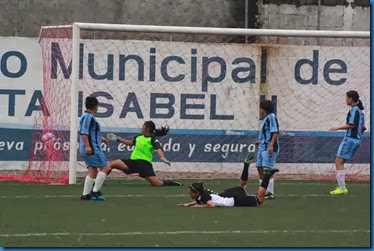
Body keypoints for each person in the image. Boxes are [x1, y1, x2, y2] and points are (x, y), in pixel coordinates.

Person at [177, 156, 279, 208]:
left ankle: (267, 175)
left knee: (260, 200)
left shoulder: (203, 196)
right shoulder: (202, 194)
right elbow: (201, 200)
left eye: (191, 193)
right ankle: (246, 165)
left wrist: (198, 206)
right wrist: (189, 204)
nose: (189, 194)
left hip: (233, 200)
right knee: (242, 187)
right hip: (227, 194)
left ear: (197, 193)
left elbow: (211, 205)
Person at [106, 121, 182, 186]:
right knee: (111, 164)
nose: (141, 128)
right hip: (132, 162)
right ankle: (97, 180)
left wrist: (162, 157)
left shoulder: (152, 139)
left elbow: (158, 148)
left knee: (157, 184)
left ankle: (171, 183)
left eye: (143, 126)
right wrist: (117, 139)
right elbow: (130, 143)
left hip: (144, 164)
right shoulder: (138, 137)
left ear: (147, 128)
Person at [329, 90, 365, 195]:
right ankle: (341, 186)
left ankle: (342, 188)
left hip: (350, 139)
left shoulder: (354, 110)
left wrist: (337, 128)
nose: (345, 100)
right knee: (341, 162)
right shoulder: (360, 112)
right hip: (357, 140)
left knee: (338, 162)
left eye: (346, 97)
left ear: (351, 99)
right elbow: (362, 128)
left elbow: (352, 125)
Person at [80, 96, 110, 201]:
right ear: (95, 106)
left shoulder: (86, 116)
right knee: (105, 168)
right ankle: (96, 191)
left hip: (87, 148)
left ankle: (86, 194)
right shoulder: (88, 117)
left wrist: (100, 138)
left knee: (93, 171)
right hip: (92, 149)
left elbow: (89, 132)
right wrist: (88, 146)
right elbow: (84, 133)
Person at [252, 99, 279, 199]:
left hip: (268, 148)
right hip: (262, 147)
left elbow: (275, 132)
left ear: (263, 108)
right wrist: (260, 142)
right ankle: (263, 191)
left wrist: (271, 145)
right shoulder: (265, 119)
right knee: (259, 167)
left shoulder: (271, 117)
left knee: (267, 170)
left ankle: (270, 193)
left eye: (260, 108)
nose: (260, 110)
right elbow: (267, 133)